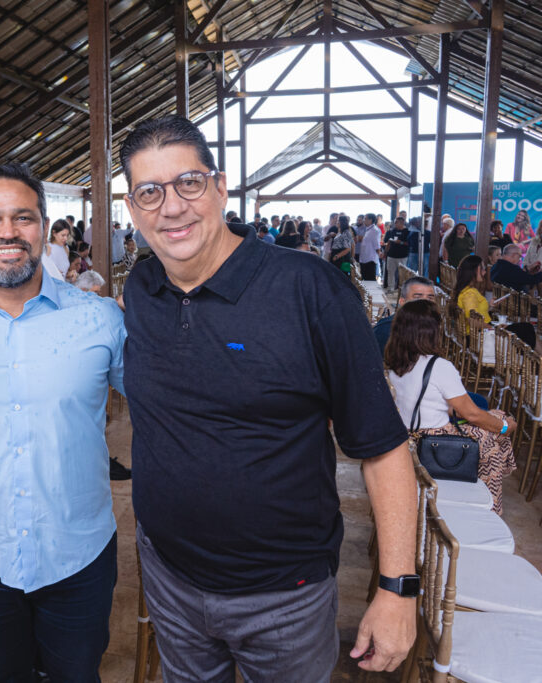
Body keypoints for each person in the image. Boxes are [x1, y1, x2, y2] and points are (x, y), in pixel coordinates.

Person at [119, 115, 416, 681]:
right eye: (150, 192)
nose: (172, 207)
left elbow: (381, 446)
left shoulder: (309, 289)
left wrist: (397, 588)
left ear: (221, 187)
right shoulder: (143, 288)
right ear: (133, 209)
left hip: (286, 597)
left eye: (189, 183)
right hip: (170, 578)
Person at [0, 162, 125, 683]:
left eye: (22, 218)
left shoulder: (99, 319)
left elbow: (168, 406)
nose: (7, 232)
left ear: (45, 229)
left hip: (78, 554)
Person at [384, 300, 516, 513]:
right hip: (434, 442)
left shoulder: (395, 363)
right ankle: (489, 507)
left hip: (405, 437)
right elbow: (471, 414)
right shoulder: (439, 367)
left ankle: (491, 481)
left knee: (494, 416)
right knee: (491, 438)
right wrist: (503, 427)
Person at [452, 254, 536, 348]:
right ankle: (536, 359)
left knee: (525, 328)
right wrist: (493, 328)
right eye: (482, 269)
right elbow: (472, 321)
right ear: (474, 271)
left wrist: (490, 306)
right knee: (526, 329)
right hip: (479, 336)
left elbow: (476, 313)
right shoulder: (469, 294)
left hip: (479, 333)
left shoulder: (467, 290)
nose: (484, 272)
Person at [373, 275, 435, 355]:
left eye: (430, 298)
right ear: (402, 302)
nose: (425, 303)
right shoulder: (387, 330)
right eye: (417, 298)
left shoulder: (433, 327)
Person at [383, 216, 410, 292]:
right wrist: (385, 253)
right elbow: (389, 242)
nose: (394, 224)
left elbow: (409, 244)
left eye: (396, 222)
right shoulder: (392, 231)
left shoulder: (407, 232)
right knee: (390, 272)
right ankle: (390, 288)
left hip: (402, 256)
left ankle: (402, 290)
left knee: (402, 274)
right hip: (391, 255)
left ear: (401, 223)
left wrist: (400, 242)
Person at [359, 212, 381, 281]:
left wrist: (380, 254)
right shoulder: (368, 229)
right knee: (365, 280)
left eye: (365, 219)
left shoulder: (375, 230)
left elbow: (376, 245)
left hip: (370, 260)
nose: (363, 220)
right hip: (364, 259)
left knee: (370, 281)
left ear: (370, 220)